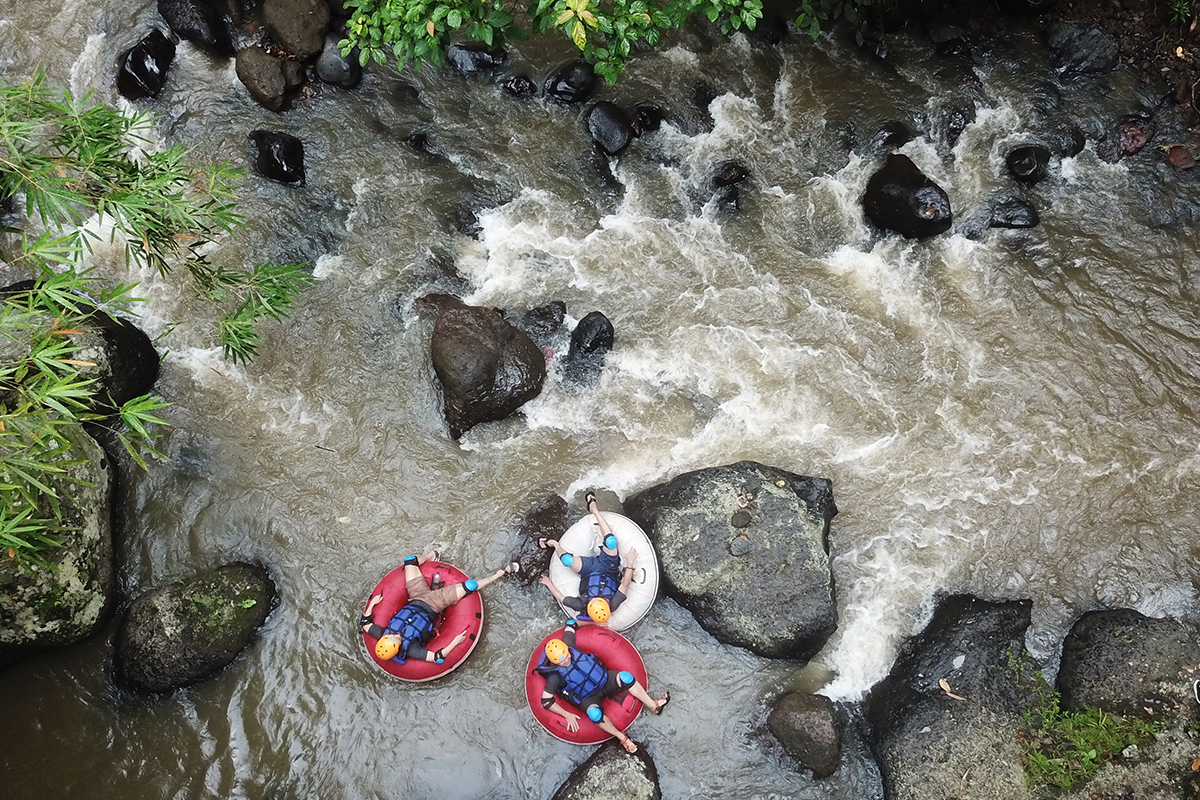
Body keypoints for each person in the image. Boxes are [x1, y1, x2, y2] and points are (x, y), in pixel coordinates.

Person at [360, 549, 518, 664]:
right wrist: (454, 642)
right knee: (470, 585)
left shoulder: (381, 634)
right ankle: (501, 573)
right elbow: (437, 657)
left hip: (415, 597)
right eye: (397, 641)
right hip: (434, 604)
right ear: (397, 648)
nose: (396, 636)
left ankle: (432, 555)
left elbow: (365, 622)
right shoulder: (411, 650)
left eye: (392, 637)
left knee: (409, 560)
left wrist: (372, 604)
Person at [535, 619, 670, 753]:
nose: (566, 660)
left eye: (566, 655)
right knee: (595, 715)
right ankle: (622, 737)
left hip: (603, 679)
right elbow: (546, 701)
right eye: (561, 661)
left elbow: (570, 623)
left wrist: (594, 624)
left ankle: (653, 705)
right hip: (587, 697)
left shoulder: (568, 644)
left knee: (626, 678)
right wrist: (566, 714)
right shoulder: (555, 677)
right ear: (554, 662)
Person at [538, 491, 638, 626]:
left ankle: (554, 544)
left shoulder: (581, 604)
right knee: (611, 542)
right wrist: (630, 562)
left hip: (588, 571)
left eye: (594, 601)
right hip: (609, 568)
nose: (596, 598)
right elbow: (625, 583)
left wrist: (548, 583)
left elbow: (562, 598)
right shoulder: (613, 603)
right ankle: (594, 509)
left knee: (567, 561)